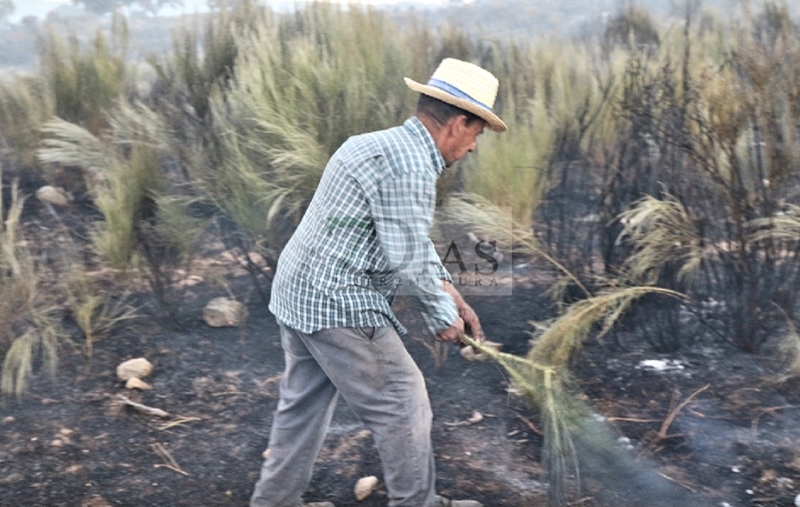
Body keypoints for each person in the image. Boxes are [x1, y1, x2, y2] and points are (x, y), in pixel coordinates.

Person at [251, 58, 507, 507]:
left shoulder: (375, 145)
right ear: (458, 123)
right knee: (405, 407)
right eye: (476, 134)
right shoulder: (411, 166)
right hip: (339, 305)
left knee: (301, 412)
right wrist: (441, 315)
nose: (472, 149)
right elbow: (405, 251)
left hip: (298, 295)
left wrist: (448, 289)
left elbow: (403, 235)